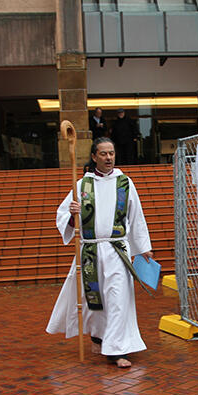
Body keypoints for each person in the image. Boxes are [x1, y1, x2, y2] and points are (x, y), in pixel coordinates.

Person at [46, 137, 153, 368]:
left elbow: (136, 216)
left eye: (111, 153)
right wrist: (73, 215)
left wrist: (143, 247)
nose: (108, 158)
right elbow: (62, 217)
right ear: (94, 157)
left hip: (117, 250)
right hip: (91, 251)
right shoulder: (82, 185)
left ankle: (116, 351)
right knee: (95, 299)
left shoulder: (125, 183)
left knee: (117, 298)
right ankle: (97, 336)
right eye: (103, 154)